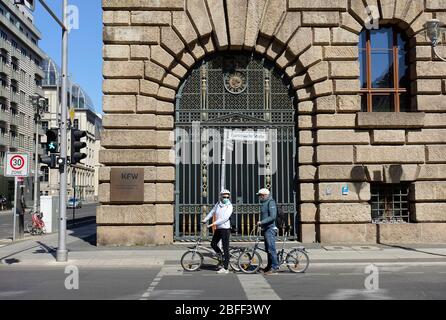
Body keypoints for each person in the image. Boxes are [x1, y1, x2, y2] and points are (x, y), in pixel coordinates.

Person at [202, 189, 233, 274]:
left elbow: (224, 218)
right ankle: (222, 257)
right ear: (221, 196)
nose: (226, 198)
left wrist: (212, 224)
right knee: (213, 244)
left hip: (225, 229)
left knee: (226, 248)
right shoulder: (218, 204)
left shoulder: (229, 206)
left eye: (227, 197)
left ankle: (226, 268)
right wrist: (205, 219)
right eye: (224, 196)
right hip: (219, 228)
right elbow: (212, 212)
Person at [257, 188, 279, 275]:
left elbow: (273, 216)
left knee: (271, 249)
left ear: (264, 195)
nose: (259, 197)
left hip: (270, 229)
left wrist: (262, 222)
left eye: (260, 195)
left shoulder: (271, 202)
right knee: (268, 249)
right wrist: (261, 225)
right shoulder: (264, 203)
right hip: (266, 229)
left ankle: (275, 267)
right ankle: (269, 267)